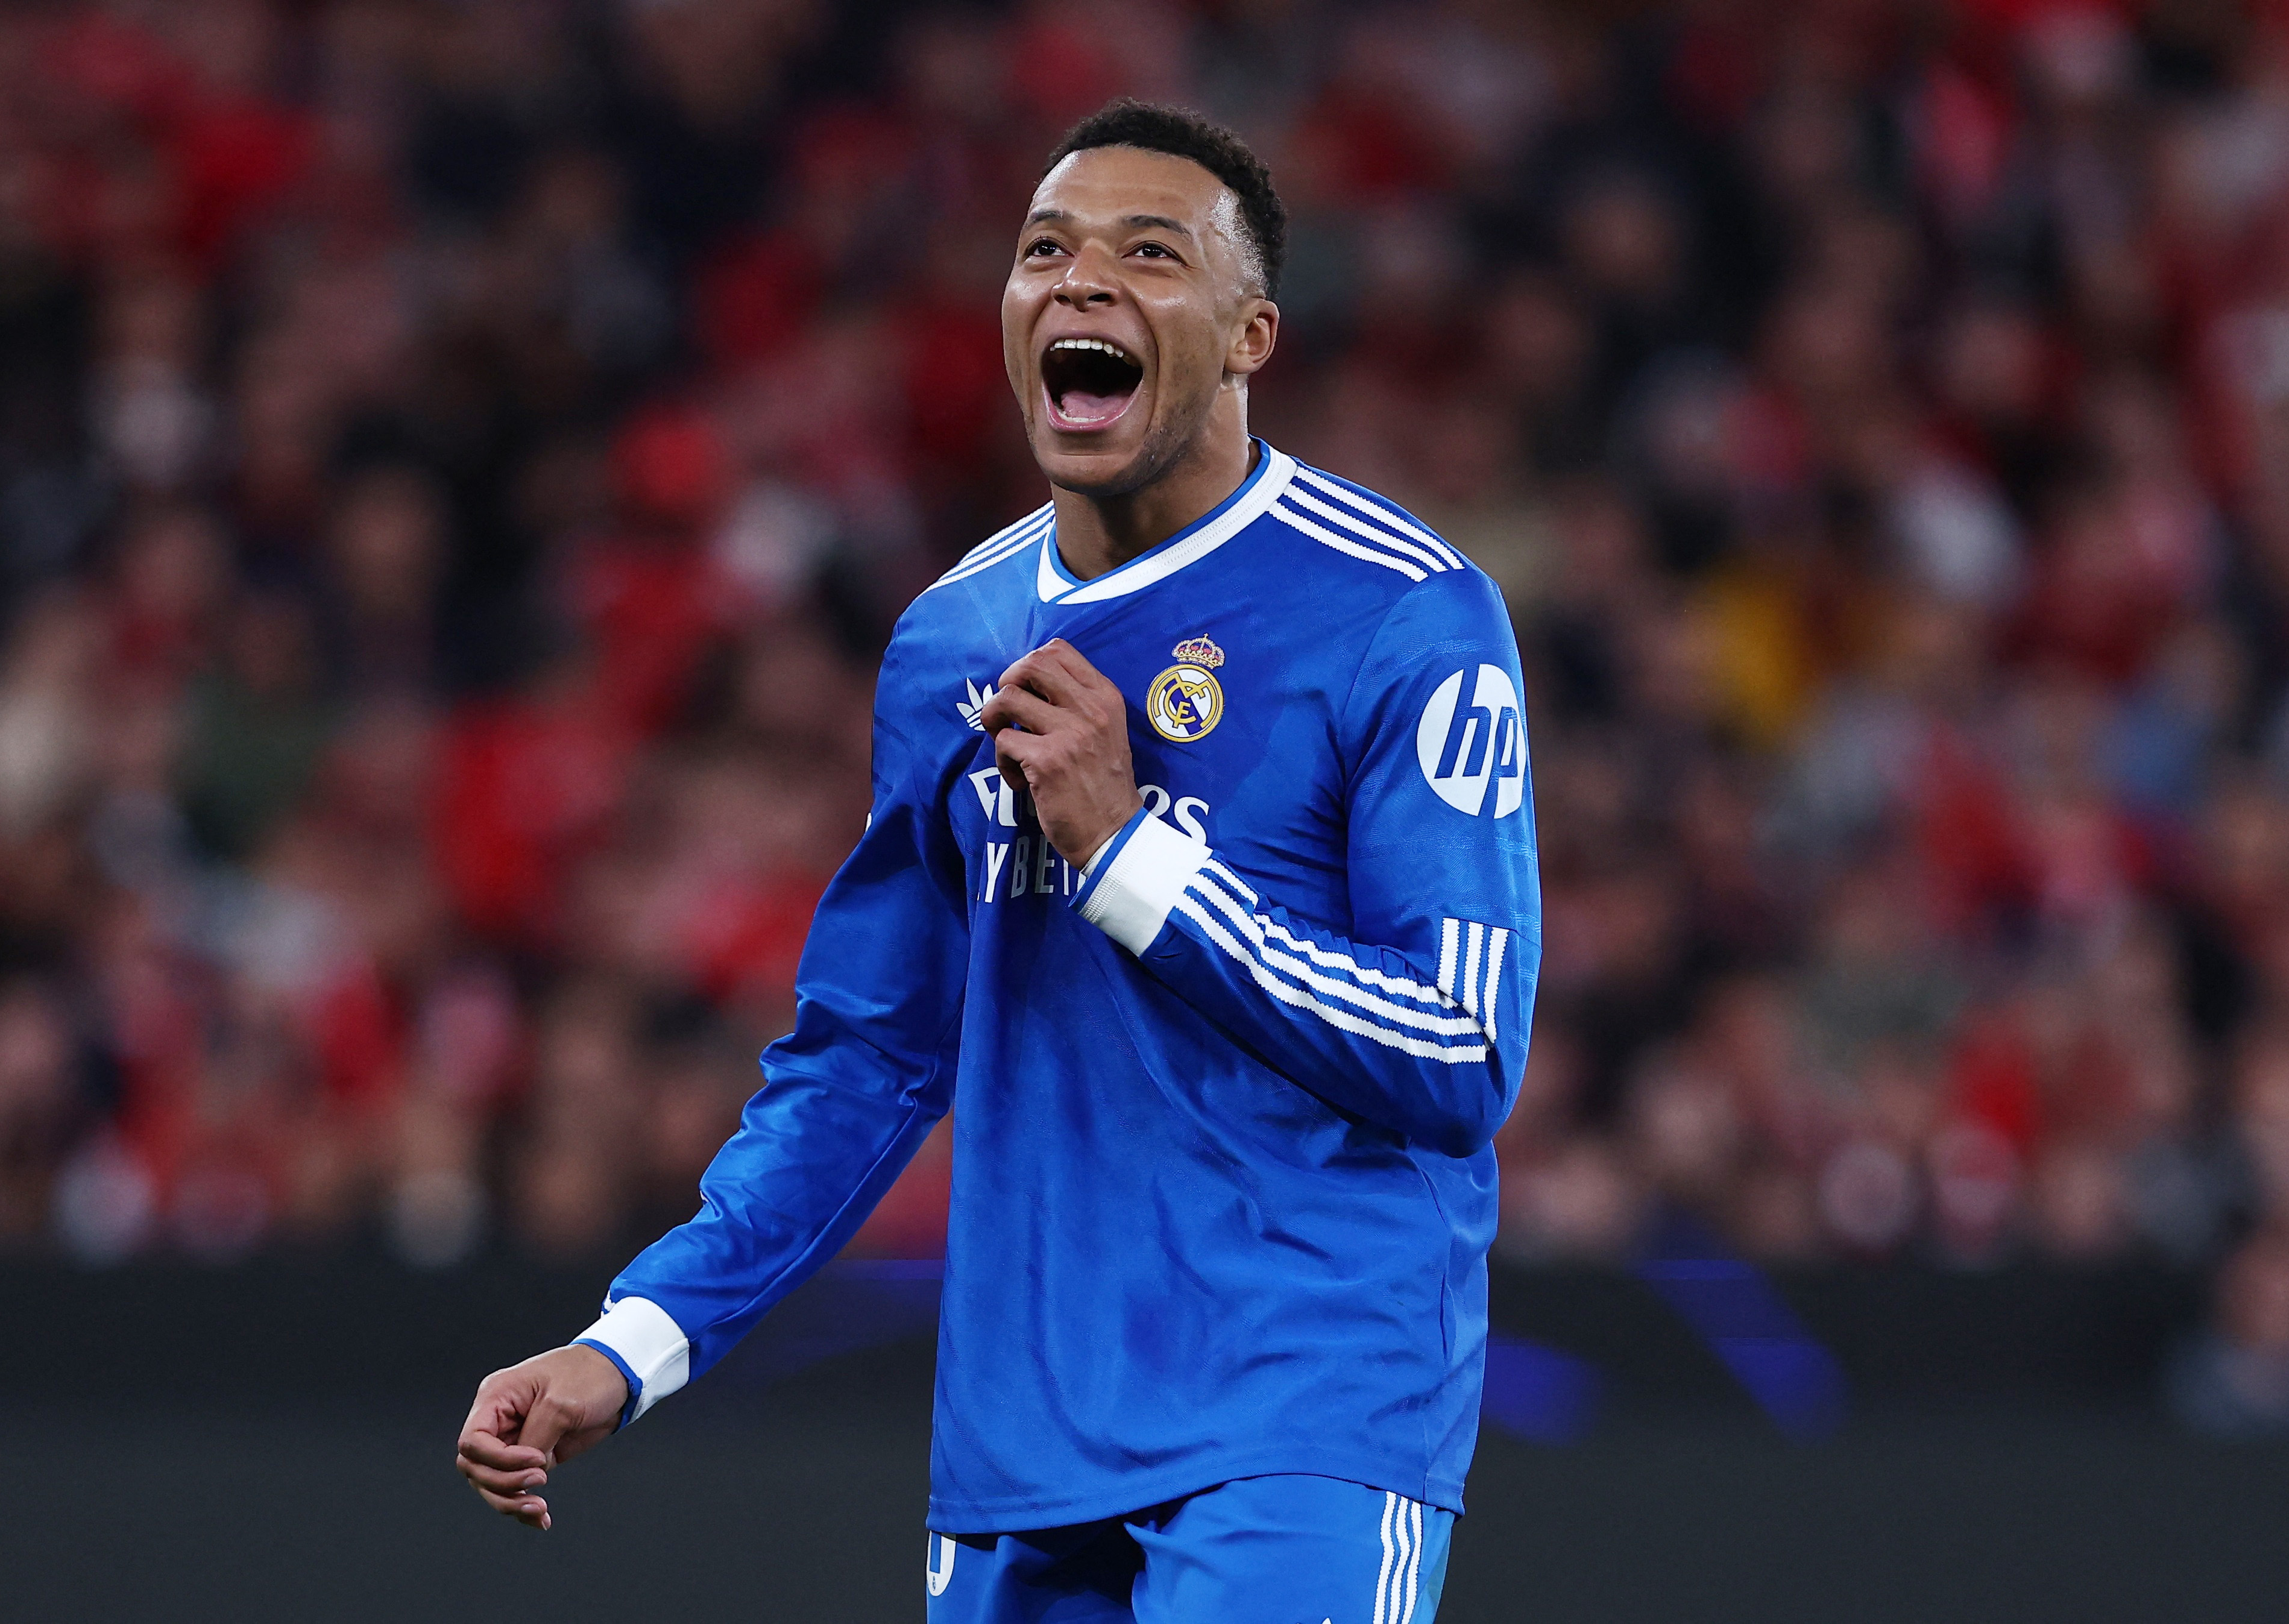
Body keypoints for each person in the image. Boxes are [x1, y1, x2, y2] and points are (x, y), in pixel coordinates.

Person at [455, 99, 1541, 1623]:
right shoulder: (951, 640)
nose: (1080, 280)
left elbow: (1462, 1049)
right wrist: (633, 1341)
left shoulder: (1404, 611)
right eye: (1045, 250)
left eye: (1147, 254)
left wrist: (1129, 858)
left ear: (1249, 337)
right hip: (1017, 1445)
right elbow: (867, 1058)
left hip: (1299, 1414)